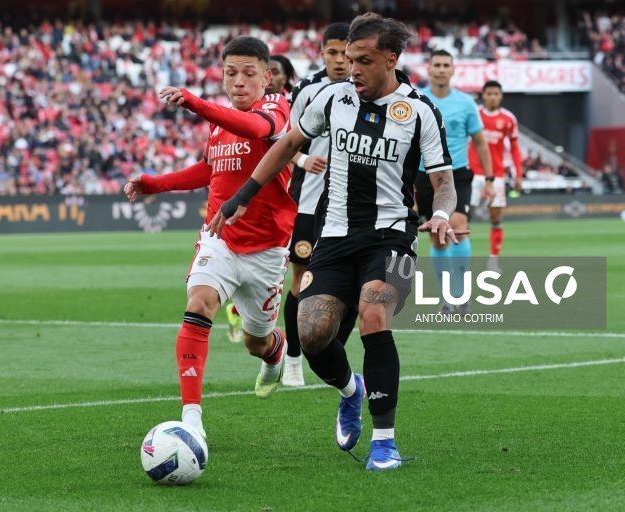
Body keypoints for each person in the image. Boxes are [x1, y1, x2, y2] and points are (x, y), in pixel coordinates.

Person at [209, 13, 458, 471]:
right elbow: (285, 146)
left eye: (363, 60)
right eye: (347, 58)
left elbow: (443, 181)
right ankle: (351, 390)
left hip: (394, 235)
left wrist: (441, 213)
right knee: (312, 331)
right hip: (336, 234)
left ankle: (385, 442)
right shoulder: (331, 98)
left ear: (391, 58)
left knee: (374, 313)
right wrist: (243, 196)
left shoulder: (420, 110)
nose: (353, 69)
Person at [124, 36, 296, 440]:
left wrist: (193, 102)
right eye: (230, 73)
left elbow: (255, 127)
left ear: (267, 77)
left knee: (257, 340)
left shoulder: (276, 109)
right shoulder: (221, 123)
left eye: (248, 73)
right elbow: (209, 170)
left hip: (267, 248)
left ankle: (274, 354)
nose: (238, 81)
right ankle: (192, 420)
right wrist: (155, 184)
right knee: (199, 303)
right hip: (219, 236)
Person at [281, 22, 358, 388]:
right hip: (310, 201)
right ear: (322, 52)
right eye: (333, 53)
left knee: (353, 282)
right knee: (300, 278)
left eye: (346, 53)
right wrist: (300, 160)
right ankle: (294, 357)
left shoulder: (366, 89)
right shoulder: (308, 90)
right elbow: (284, 139)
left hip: (351, 205)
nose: (340, 60)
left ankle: (331, 353)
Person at [225, 52, 297, 344]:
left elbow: (291, 141)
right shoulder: (255, 110)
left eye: (279, 73)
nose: (275, 78)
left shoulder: (288, 104)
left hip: (300, 195)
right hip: (280, 198)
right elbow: (288, 146)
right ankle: (240, 309)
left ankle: (243, 310)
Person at [415, 49, 494, 313]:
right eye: (436, 64)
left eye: (445, 65)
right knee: (438, 239)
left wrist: (490, 178)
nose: (440, 69)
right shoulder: (417, 99)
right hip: (423, 174)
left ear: (452, 70)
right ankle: (448, 297)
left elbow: (481, 143)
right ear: (429, 69)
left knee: (458, 226)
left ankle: (461, 295)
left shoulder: (466, 103)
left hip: (457, 173)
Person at [467, 80, 523, 273]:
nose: (492, 97)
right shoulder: (474, 114)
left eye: (496, 94)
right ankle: (462, 260)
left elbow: (515, 148)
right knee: (464, 217)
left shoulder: (508, 119)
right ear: (483, 95)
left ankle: (493, 260)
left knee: (496, 217)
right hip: (472, 174)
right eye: (489, 93)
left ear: (501, 96)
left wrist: (518, 174)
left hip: (497, 175)